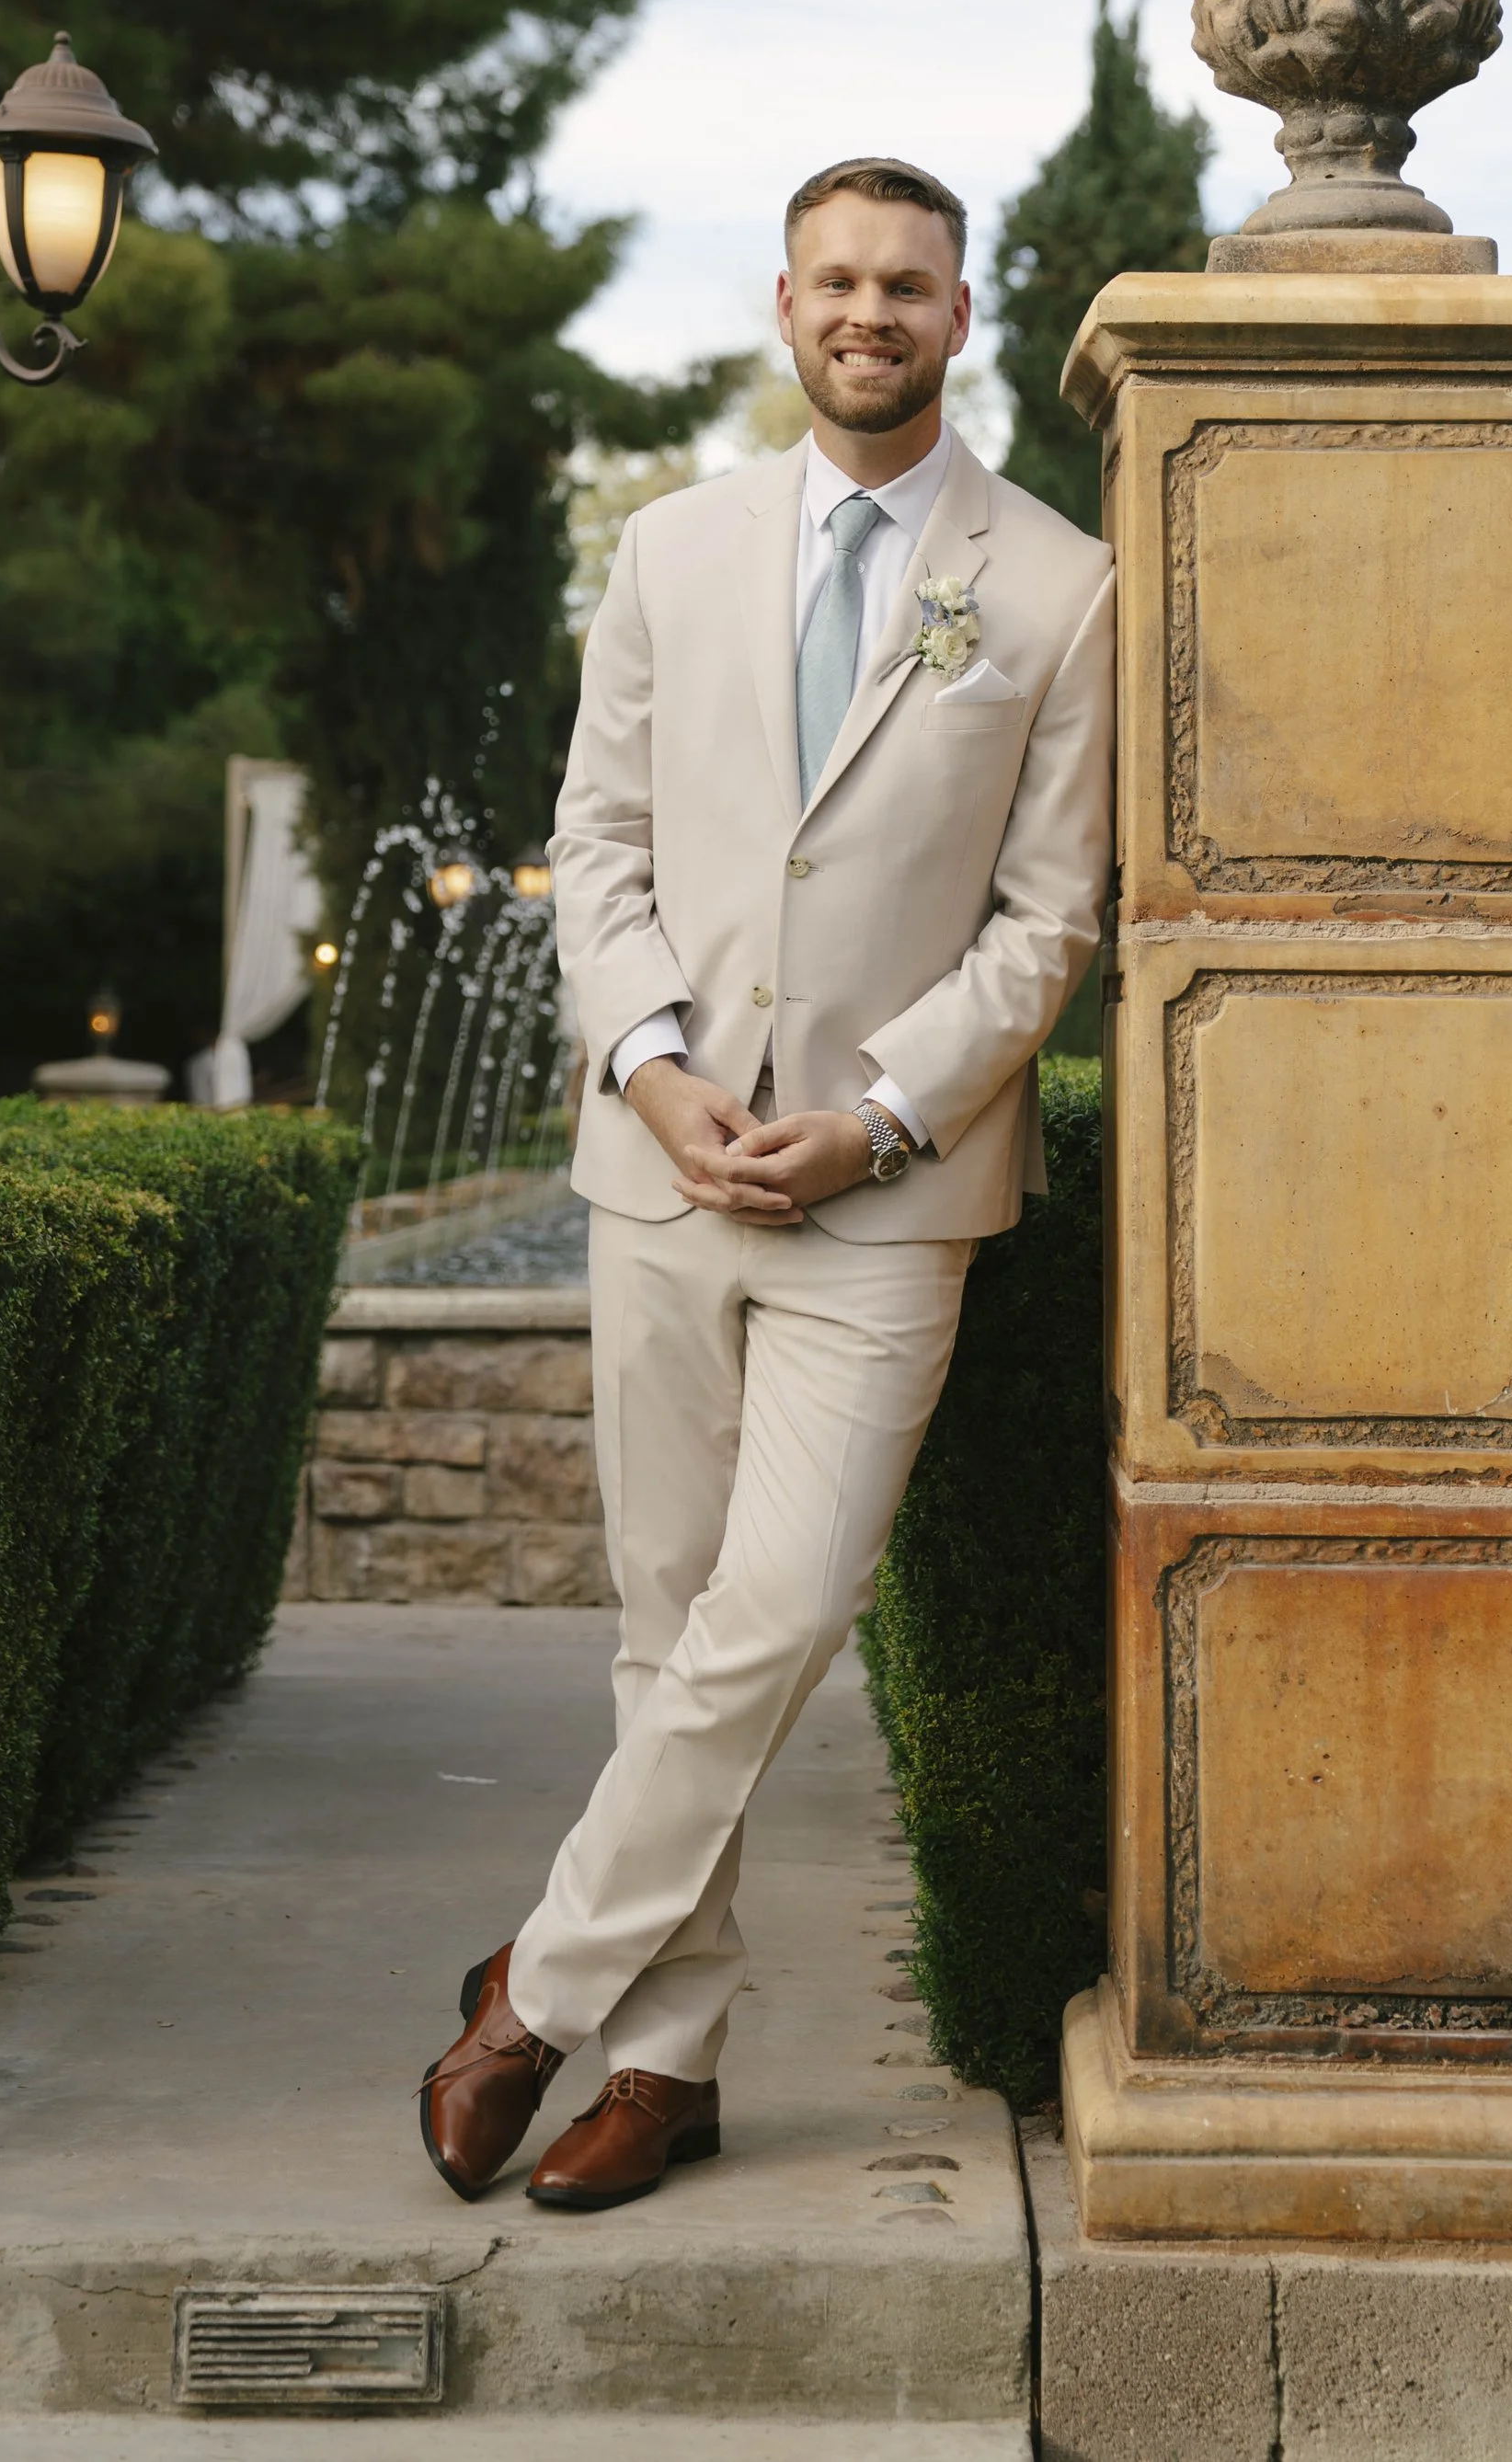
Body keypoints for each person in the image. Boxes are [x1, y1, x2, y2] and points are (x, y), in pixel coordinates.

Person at [419, 155, 1116, 2212]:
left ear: (959, 315)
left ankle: (533, 1991)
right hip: (659, 1173)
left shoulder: (1058, 584)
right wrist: (650, 1074)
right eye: (836, 280)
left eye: (906, 283)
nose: (867, 311)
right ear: (785, 304)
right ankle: (669, 2062)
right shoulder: (668, 547)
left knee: (784, 1608)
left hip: (885, 1197)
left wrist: (879, 1114)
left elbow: (1047, 921)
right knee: (667, 1630)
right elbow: (599, 844)